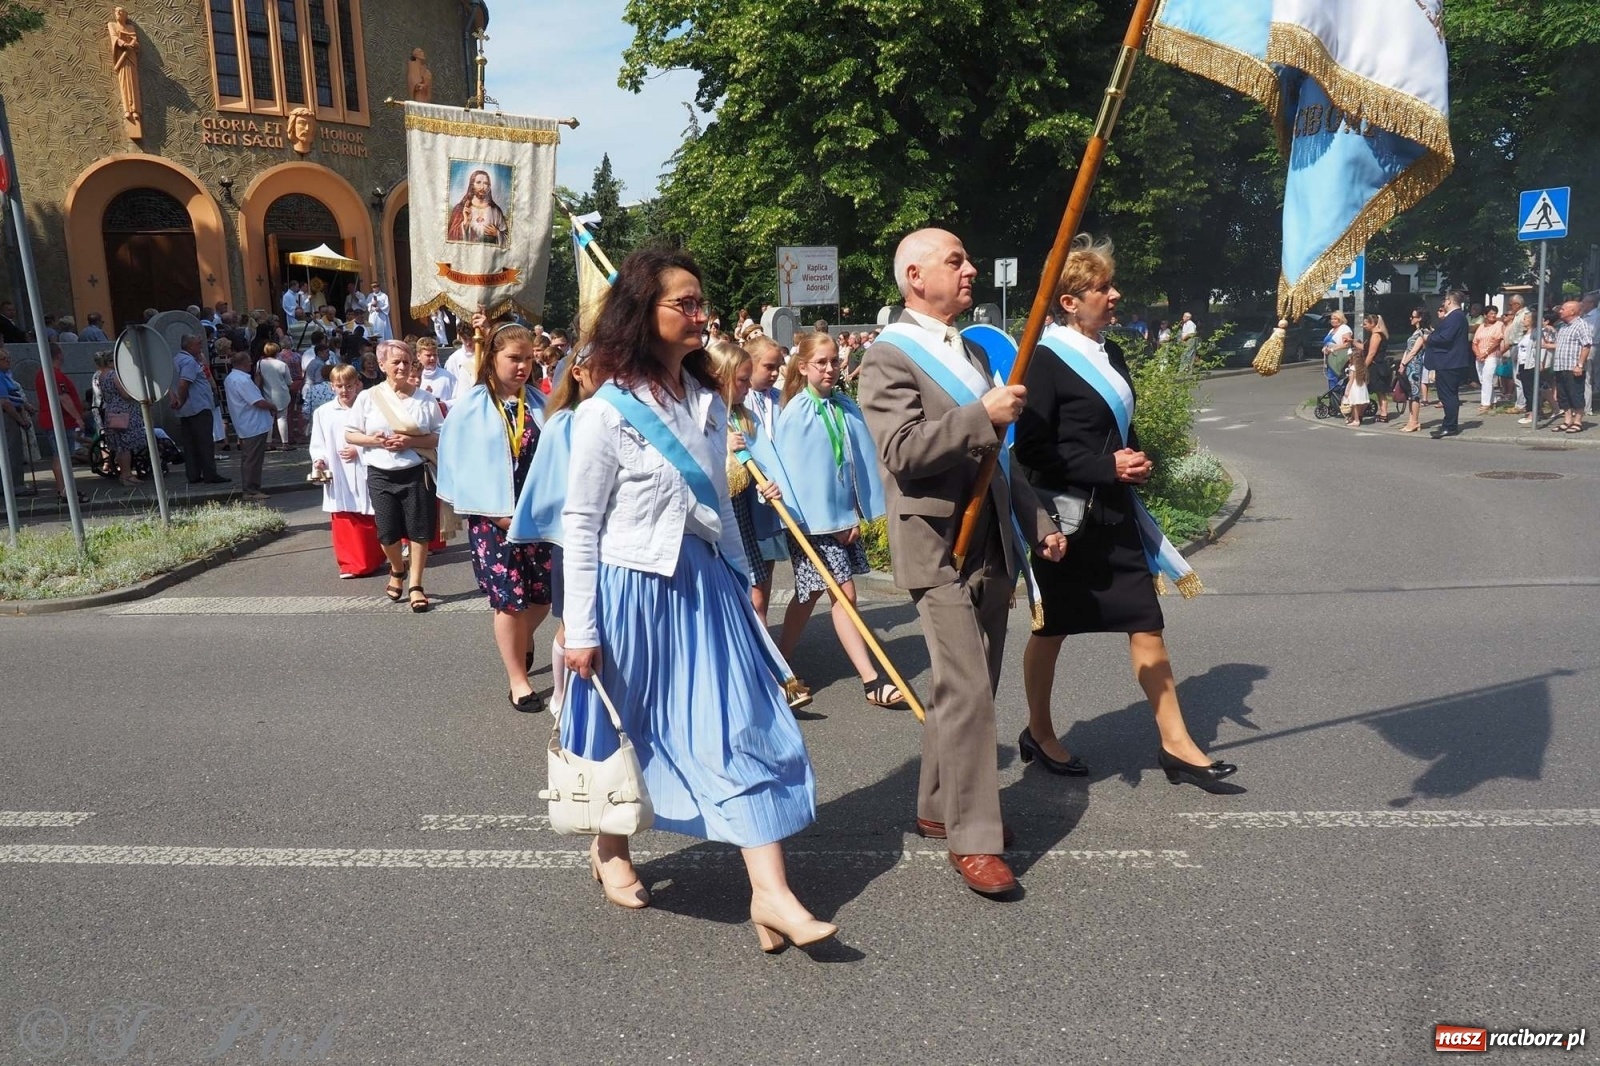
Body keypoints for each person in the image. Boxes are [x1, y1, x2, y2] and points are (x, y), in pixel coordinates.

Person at [560, 247, 832, 951]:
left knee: (741, 724)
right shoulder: (606, 412)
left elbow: (716, 507)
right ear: (642, 313)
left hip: (705, 586)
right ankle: (610, 849)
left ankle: (770, 894)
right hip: (630, 591)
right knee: (628, 727)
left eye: (700, 301)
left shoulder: (711, 404)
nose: (702, 313)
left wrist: (744, 582)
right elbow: (581, 524)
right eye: (685, 302)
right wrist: (581, 627)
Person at [857, 228, 1065, 898]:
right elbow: (903, 451)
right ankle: (975, 838)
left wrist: (1038, 521)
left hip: (992, 541)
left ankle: (936, 802)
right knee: (970, 688)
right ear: (916, 277)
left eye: (968, 258)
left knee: (967, 685)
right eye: (956, 260)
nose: (971, 268)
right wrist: (981, 413)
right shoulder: (887, 357)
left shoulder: (974, 348)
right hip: (936, 543)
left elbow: (998, 458)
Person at [1013, 234, 1235, 792]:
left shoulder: (1109, 352)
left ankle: (1176, 744)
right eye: (1101, 288)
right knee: (1053, 629)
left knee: (1146, 622)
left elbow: (1117, 428)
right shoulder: (1042, 359)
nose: (1114, 295)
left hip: (1114, 512)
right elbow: (1033, 450)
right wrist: (1105, 466)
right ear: (1069, 301)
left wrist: (1135, 458)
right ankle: (1038, 731)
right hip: (1064, 519)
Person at [768, 330, 898, 708]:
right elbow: (801, 477)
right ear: (804, 367)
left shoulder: (842, 404)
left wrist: (852, 514)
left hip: (839, 521)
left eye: (834, 361)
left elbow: (850, 467)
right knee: (845, 593)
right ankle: (871, 680)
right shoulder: (797, 412)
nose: (829, 369)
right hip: (810, 524)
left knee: (808, 597)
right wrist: (827, 523)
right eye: (821, 363)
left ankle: (778, 661)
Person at [436, 323, 556, 713]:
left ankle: (523, 639)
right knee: (510, 601)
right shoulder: (471, 406)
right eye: (513, 358)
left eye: (528, 359)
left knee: (544, 595)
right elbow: (457, 464)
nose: (523, 366)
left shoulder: (538, 402)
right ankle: (517, 682)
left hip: (538, 518)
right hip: (495, 521)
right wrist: (495, 512)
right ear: (492, 359)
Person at [509, 345, 599, 716]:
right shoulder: (565, 421)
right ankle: (560, 695)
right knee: (573, 622)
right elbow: (559, 482)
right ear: (578, 373)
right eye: (603, 368)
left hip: (610, 536)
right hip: (574, 535)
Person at [345, 339, 442, 611]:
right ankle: (397, 570)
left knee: (419, 532)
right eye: (396, 361)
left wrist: (410, 442)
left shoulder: (425, 400)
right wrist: (373, 440)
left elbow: (440, 436)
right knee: (387, 533)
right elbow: (350, 434)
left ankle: (416, 585)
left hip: (416, 472)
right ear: (382, 365)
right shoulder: (368, 397)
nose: (402, 366)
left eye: (407, 361)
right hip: (380, 473)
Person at [309, 364, 384, 579]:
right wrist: (320, 460)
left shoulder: (368, 408)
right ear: (332, 386)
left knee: (368, 512)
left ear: (358, 385)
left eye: (349, 386)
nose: (344, 390)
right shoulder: (323, 413)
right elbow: (318, 442)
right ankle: (350, 563)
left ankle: (372, 559)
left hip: (364, 468)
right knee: (344, 515)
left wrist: (358, 449)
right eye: (339, 386)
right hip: (338, 470)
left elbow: (378, 435)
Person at [32, 347, 88, 504]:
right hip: (60, 421)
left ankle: (65, 489)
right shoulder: (54, 374)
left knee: (62, 456)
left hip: (54, 420)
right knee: (62, 457)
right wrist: (78, 418)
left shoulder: (42, 373)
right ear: (58, 355)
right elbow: (64, 398)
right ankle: (64, 491)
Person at [170, 334, 225, 483]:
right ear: (189, 346)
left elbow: (169, 382)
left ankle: (193, 474)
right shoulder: (188, 362)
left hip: (187, 409)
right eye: (198, 345)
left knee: (190, 443)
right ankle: (210, 474)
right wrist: (180, 400)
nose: (201, 347)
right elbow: (183, 383)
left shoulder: (176, 360)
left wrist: (174, 399)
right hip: (198, 407)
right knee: (204, 442)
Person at [222, 350, 274, 499]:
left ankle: (250, 487)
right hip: (253, 424)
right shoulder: (242, 380)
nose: (251, 363)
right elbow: (257, 401)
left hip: (244, 422)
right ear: (244, 363)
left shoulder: (231, 378)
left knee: (249, 458)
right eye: (249, 361)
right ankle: (251, 490)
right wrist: (272, 406)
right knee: (253, 459)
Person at [1424, 291, 1472, 438]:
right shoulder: (1456, 317)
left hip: (1449, 362)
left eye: (1445, 300)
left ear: (1450, 301)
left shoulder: (1455, 317)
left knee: (1448, 395)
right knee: (1447, 394)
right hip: (1449, 361)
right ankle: (1449, 424)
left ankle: (1450, 426)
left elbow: (1445, 337)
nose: (1443, 303)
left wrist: (1429, 338)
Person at [1547, 299, 1592, 434]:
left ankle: (1577, 421)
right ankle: (1567, 420)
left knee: (1575, 394)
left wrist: (1579, 364)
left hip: (1573, 367)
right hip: (1561, 366)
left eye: (1563, 309)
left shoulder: (1581, 325)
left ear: (1572, 311)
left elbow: (1586, 345)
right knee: (1563, 395)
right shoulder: (1563, 326)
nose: (1560, 311)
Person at [255, 342, 294, 449]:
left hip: (266, 394)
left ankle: (268, 443)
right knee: (282, 418)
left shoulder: (259, 363)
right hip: (282, 394)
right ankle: (285, 443)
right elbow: (289, 381)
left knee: (269, 419)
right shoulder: (282, 365)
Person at [1397, 307, 1430, 433]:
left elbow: (1414, 351)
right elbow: (1407, 349)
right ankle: (1411, 420)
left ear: (1420, 318)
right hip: (1409, 364)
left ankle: (1414, 421)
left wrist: (1404, 363)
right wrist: (1402, 362)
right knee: (1410, 393)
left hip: (1415, 365)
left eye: (1413, 316)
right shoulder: (1415, 332)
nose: (1411, 318)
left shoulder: (1423, 332)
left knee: (1415, 393)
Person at [1472, 306, 1506, 414]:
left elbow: (1497, 341)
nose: (1493, 315)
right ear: (1485, 315)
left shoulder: (1499, 325)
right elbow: (1474, 342)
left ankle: (1485, 403)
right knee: (1482, 379)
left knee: (1487, 377)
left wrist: (1485, 353)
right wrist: (1478, 354)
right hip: (1479, 355)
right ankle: (1493, 400)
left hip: (1492, 355)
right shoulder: (1481, 326)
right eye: (1491, 313)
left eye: (1495, 313)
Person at [415, 337, 458, 405]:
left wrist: (443, 405)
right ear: (418, 356)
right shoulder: (414, 378)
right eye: (428, 355)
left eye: (435, 355)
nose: (432, 358)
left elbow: (457, 399)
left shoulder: (447, 376)